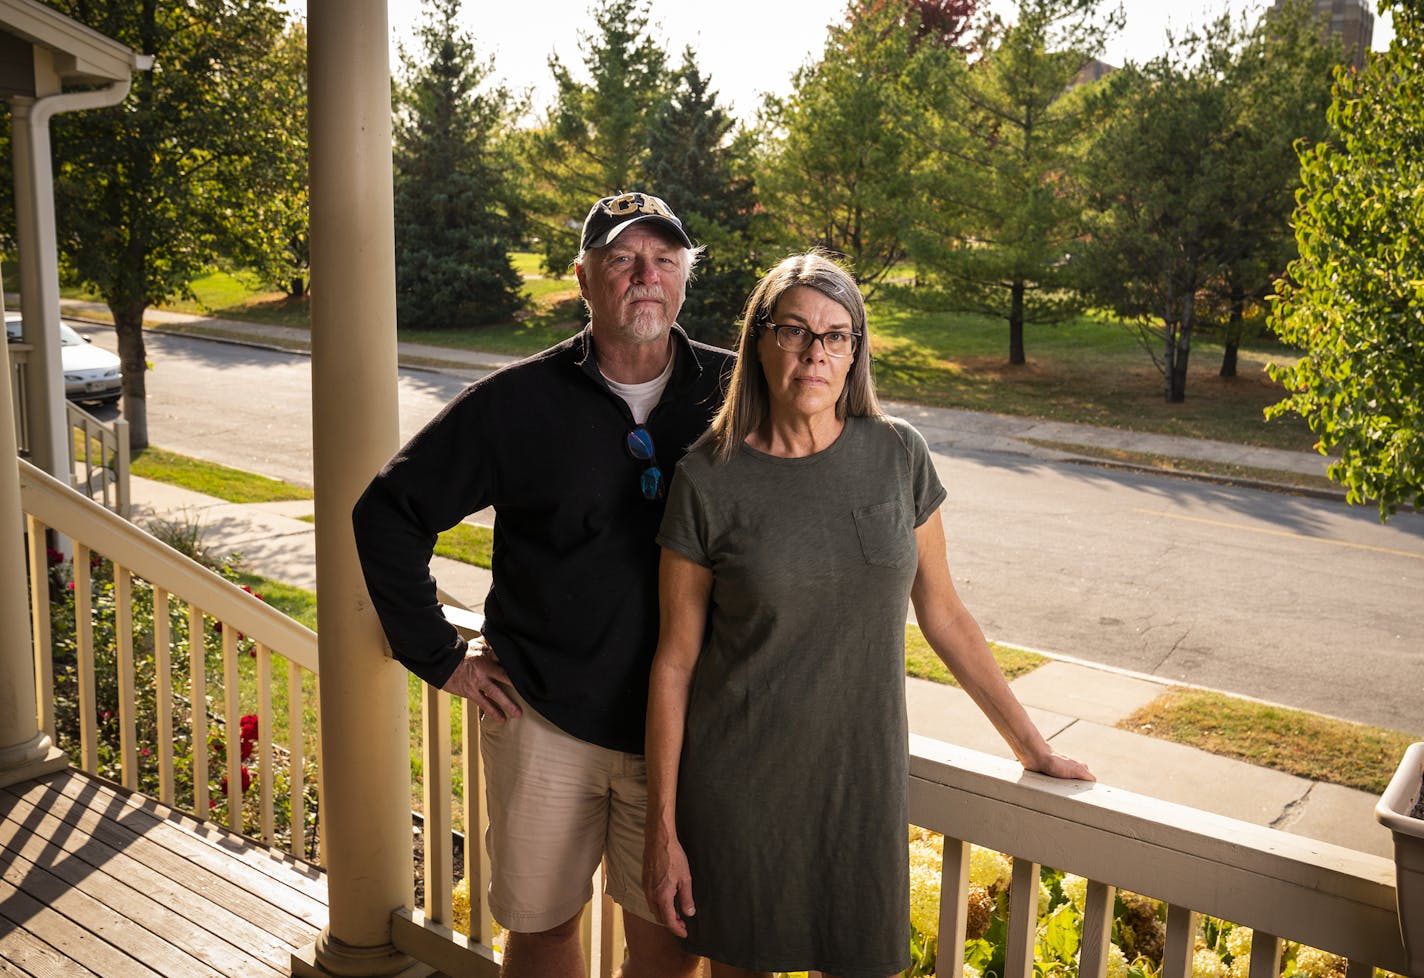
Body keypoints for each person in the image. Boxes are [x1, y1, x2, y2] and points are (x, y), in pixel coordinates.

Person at [642, 252, 1095, 978]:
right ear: (760, 340)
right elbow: (674, 663)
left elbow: (945, 616)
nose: (815, 353)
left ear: (856, 352)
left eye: (837, 335)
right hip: (740, 788)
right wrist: (662, 831)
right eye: (795, 331)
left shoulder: (897, 455)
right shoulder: (709, 478)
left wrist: (1033, 748)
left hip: (861, 786)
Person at [352, 191, 733, 978]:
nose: (645, 277)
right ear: (583, 279)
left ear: (687, 278)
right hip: (544, 718)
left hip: (686, 733)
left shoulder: (733, 394)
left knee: (667, 943)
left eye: (664, 260)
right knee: (543, 930)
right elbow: (387, 513)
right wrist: (442, 656)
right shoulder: (515, 403)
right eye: (622, 260)